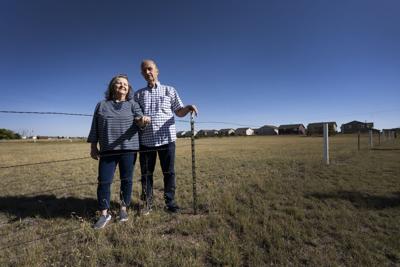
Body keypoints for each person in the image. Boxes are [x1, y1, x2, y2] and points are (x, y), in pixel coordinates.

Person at [134, 59, 198, 215]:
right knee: (146, 174)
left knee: (169, 172)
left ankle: (170, 202)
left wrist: (188, 107)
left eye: (150, 69)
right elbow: (136, 117)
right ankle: (148, 203)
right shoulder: (138, 94)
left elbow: (179, 112)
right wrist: (140, 120)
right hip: (146, 141)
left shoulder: (170, 90)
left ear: (157, 71)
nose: (147, 72)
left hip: (167, 140)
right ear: (142, 74)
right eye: (144, 71)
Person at [88, 74, 150, 229]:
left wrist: (142, 121)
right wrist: (93, 146)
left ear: (128, 88)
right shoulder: (101, 105)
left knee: (126, 180)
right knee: (104, 181)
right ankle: (104, 213)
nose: (123, 86)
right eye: (119, 83)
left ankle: (123, 209)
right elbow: (94, 126)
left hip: (129, 149)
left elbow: (140, 121)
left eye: (126, 84)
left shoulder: (133, 104)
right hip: (108, 150)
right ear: (112, 86)